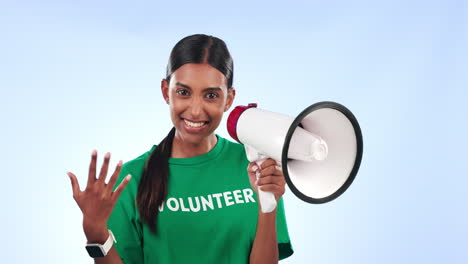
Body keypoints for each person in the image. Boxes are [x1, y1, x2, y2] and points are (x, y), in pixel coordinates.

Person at [67, 34, 294, 264]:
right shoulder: (130, 181)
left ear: (229, 99)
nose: (195, 111)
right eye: (183, 92)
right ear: (166, 91)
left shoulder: (257, 168)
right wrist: (96, 234)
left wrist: (268, 206)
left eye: (211, 95)